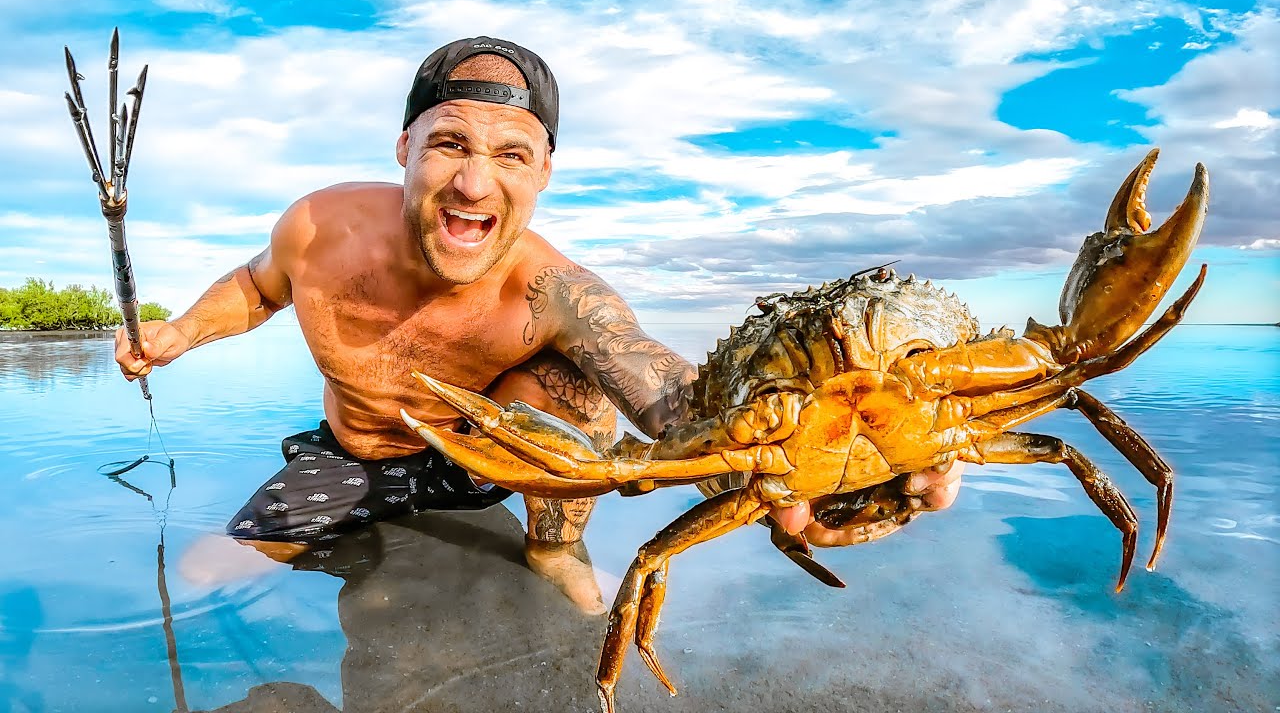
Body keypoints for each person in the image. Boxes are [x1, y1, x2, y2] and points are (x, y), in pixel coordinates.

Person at [115, 36, 962, 615]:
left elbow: (683, 406)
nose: (473, 184)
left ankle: (552, 549)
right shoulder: (317, 228)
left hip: (487, 464)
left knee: (578, 381)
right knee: (197, 580)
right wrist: (180, 333)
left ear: (546, 170)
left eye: (511, 154)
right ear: (405, 147)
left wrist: (838, 466)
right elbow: (257, 287)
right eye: (451, 144)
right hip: (354, 455)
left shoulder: (557, 291)